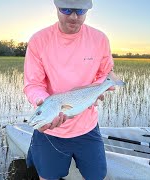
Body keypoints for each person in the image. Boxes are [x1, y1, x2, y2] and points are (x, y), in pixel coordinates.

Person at [23, 0, 114, 179]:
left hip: (87, 127)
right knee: (47, 176)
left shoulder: (100, 39)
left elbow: (106, 73)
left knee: (97, 175)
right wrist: (42, 101)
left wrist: (99, 89)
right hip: (50, 130)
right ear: (56, 7)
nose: (74, 17)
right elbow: (33, 84)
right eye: (66, 10)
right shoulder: (38, 40)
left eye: (80, 11)